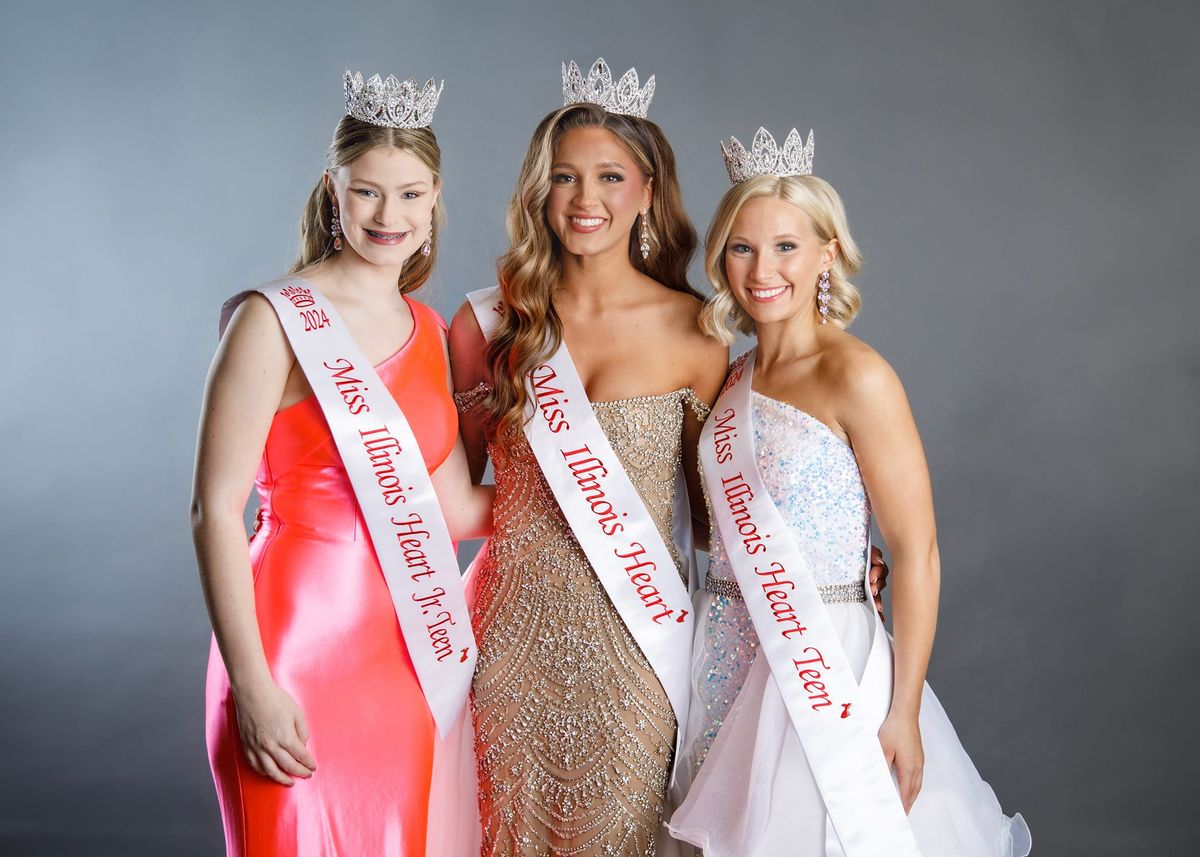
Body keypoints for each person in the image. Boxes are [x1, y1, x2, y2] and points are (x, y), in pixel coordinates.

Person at [667, 127, 1031, 856]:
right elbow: (722, 529)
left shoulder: (857, 375)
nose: (762, 269)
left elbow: (918, 550)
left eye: (786, 247)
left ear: (827, 251)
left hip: (823, 657)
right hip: (722, 652)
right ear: (721, 256)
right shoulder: (731, 376)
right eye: (742, 247)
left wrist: (901, 712)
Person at [191, 71, 490, 856]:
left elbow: (457, 509)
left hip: (405, 657)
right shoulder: (272, 319)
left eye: (411, 194)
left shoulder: (430, 331)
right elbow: (214, 509)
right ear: (333, 192)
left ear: (435, 200)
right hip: (291, 647)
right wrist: (253, 686)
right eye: (367, 193)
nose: (389, 216)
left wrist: (606, 487)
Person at [448, 58, 729, 856]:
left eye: (609, 176)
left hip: (641, 649)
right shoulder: (490, 323)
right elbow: (450, 497)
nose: (585, 199)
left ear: (647, 188)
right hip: (506, 646)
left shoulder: (697, 331)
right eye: (565, 177)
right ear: (540, 190)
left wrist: (838, 563)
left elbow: (718, 524)